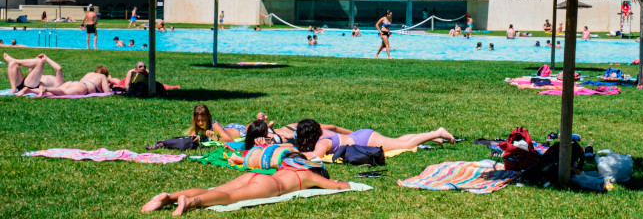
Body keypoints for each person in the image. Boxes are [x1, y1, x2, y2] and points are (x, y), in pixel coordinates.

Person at [141, 160, 348, 215]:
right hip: (271, 185)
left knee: (213, 190)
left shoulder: (292, 166)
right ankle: (191, 203)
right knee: (229, 198)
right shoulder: (310, 175)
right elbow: (338, 187)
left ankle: (169, 198)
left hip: (255, 175)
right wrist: (341, 183)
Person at [293, 119, 455, 160]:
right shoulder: (323, 133)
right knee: (397, 141)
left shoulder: (323, 142)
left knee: (404, 145)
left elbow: (315, 156)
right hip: (362, 136)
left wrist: (293, 153)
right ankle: (429, 137)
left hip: (366, 141)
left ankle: (437, 133)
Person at [25, 64, 112, 97]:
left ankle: (29, 90)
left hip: (73, 83)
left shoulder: (89, 74)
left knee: (56, 93)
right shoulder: (102, 77)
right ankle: (45, 89)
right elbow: (106, 92)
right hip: (83, 87)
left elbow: (81, 80)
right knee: (64, 92)